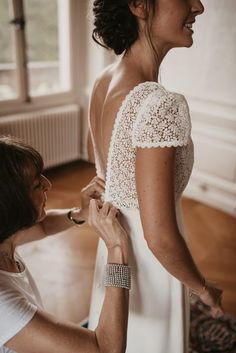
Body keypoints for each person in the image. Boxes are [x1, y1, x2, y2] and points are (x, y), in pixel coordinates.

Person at [87, 1, 224, 352]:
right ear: (138, 5)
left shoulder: (104, 80)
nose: (199, 6)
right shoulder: (160, 103)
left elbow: (105, 176)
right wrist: (203, 289)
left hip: (115, 250)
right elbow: (160, 237)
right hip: (151, 264)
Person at [0, 136, 131, 353]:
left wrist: (80, 214)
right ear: (13, 204)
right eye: (36, 184)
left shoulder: (5, 235)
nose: (48, 184)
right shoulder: (3, 306)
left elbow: (43, 227)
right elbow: (106, 349)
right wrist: (117, 249)